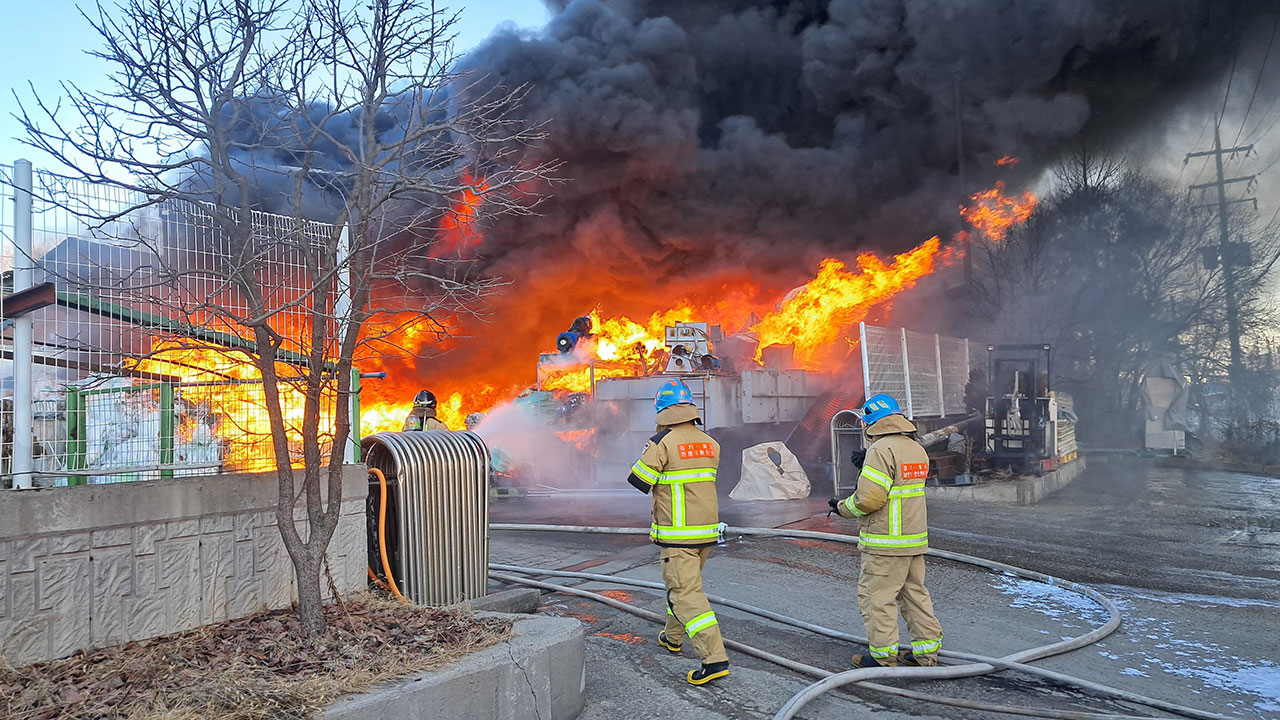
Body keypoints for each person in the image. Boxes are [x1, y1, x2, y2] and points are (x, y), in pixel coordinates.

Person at [626, 378, 730, 686]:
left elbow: (639, 480)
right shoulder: (710, 442)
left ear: (662, 409)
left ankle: (714, 659)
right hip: (706, 532)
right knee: (683, 587)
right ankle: (672, 637)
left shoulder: (662, 442)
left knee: (686, 595)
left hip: (678, 536)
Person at [828, 393, 943, 669]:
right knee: (915, 596)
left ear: (869, 424)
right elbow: (897, 485)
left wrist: (841, 507)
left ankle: (882, 659)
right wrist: (868, 462)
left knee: (877, 600)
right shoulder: (915, 448)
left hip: (886, 543)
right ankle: (926, 654)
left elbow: (868, 500)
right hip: (913, 540)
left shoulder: (880, 451)